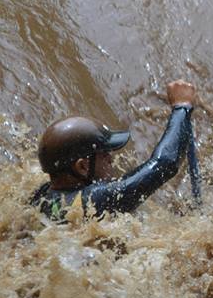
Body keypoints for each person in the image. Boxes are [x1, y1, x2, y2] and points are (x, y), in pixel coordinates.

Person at [30, 80, 196, 222]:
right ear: (82, 166)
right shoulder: (97, 200)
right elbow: (165, 163)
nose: (111, 158)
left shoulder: (41, 196)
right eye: (104, 153)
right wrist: (182, 107)